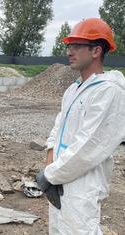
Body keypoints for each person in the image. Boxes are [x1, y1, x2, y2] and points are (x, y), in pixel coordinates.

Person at [36, 18, 125, 234]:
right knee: (57, 229)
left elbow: (89, 145)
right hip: (59, 178)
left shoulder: (109, 91)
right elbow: (58, 126)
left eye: (76, 46)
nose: (69, 51)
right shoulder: (73, 89)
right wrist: (50, 160)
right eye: (69, 45)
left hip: (82, 183)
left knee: (79, 229)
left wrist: (50, 175)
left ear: (96, 51)